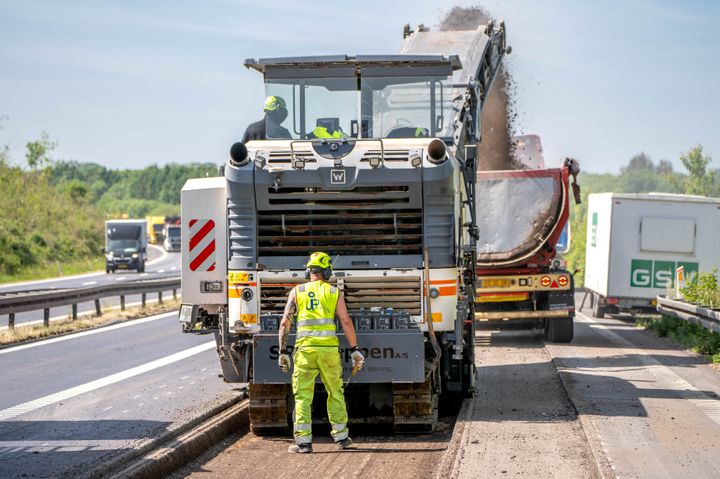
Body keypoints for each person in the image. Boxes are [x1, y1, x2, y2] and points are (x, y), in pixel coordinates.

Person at [277, 252, 365, 454]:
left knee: (302, 397)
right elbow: (345, 321)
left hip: (305, 352)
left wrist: (282, 351)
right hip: (329, 352)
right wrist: (355, 350)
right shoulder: (334, 292)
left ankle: (304, 443)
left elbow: (285, 323)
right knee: (335, 392)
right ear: (327, 271)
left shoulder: (296, 291)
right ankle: (342, 437)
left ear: (308, 271)